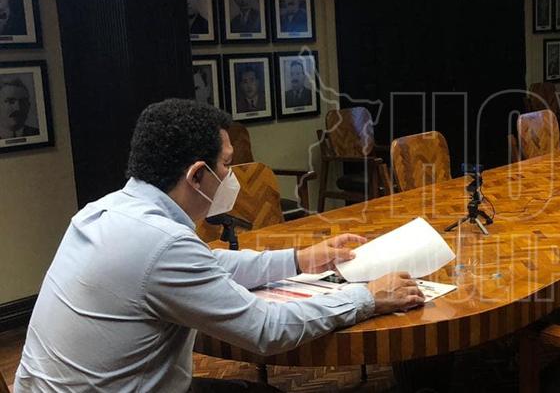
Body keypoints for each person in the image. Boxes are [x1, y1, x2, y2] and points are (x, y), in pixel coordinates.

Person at [15, 99, 424, 392]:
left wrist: (301, 259)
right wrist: (367, 297)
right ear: (197, 176)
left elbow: (207, 263)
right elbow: (265, 330)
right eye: (227, 164)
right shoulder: (162, 243)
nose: (232, 176)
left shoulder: (107, 212)